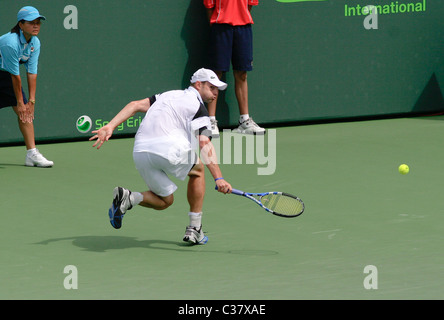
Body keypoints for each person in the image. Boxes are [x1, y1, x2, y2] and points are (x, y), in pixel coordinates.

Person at [90, 68, 233, 245]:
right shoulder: (199, 108)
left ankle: (129, 198)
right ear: (198, 84)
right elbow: (204, 143)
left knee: (165, 200)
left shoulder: (167, 95)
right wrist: (219, 178)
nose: (215, 93)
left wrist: (110, 126)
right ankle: (195, 228)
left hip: (140, 152)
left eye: (217, 89)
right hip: (168, 148)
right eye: (211, 87)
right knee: (198, 170)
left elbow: (134, 105)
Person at [0, 6, 53, 167]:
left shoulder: (35, 42)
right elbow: (16, 76)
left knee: (26, 113)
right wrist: (21, 103)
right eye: (31, 23)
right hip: (9, 75)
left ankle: (32, 154)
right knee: (21, 107)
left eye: (38, 23)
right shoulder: (10, 43)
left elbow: (32, 73)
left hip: (6, 76)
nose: (36, 26)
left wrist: (31, 101)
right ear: (21, 24)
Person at [204, 0, 265, 138]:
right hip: (220, 27)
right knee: (216, 74)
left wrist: (240, 18)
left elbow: (250, 5)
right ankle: (211, 121)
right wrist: (217, 23)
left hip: (243, 28)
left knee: (242, 74)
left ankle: (244, 121)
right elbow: (209, 5)